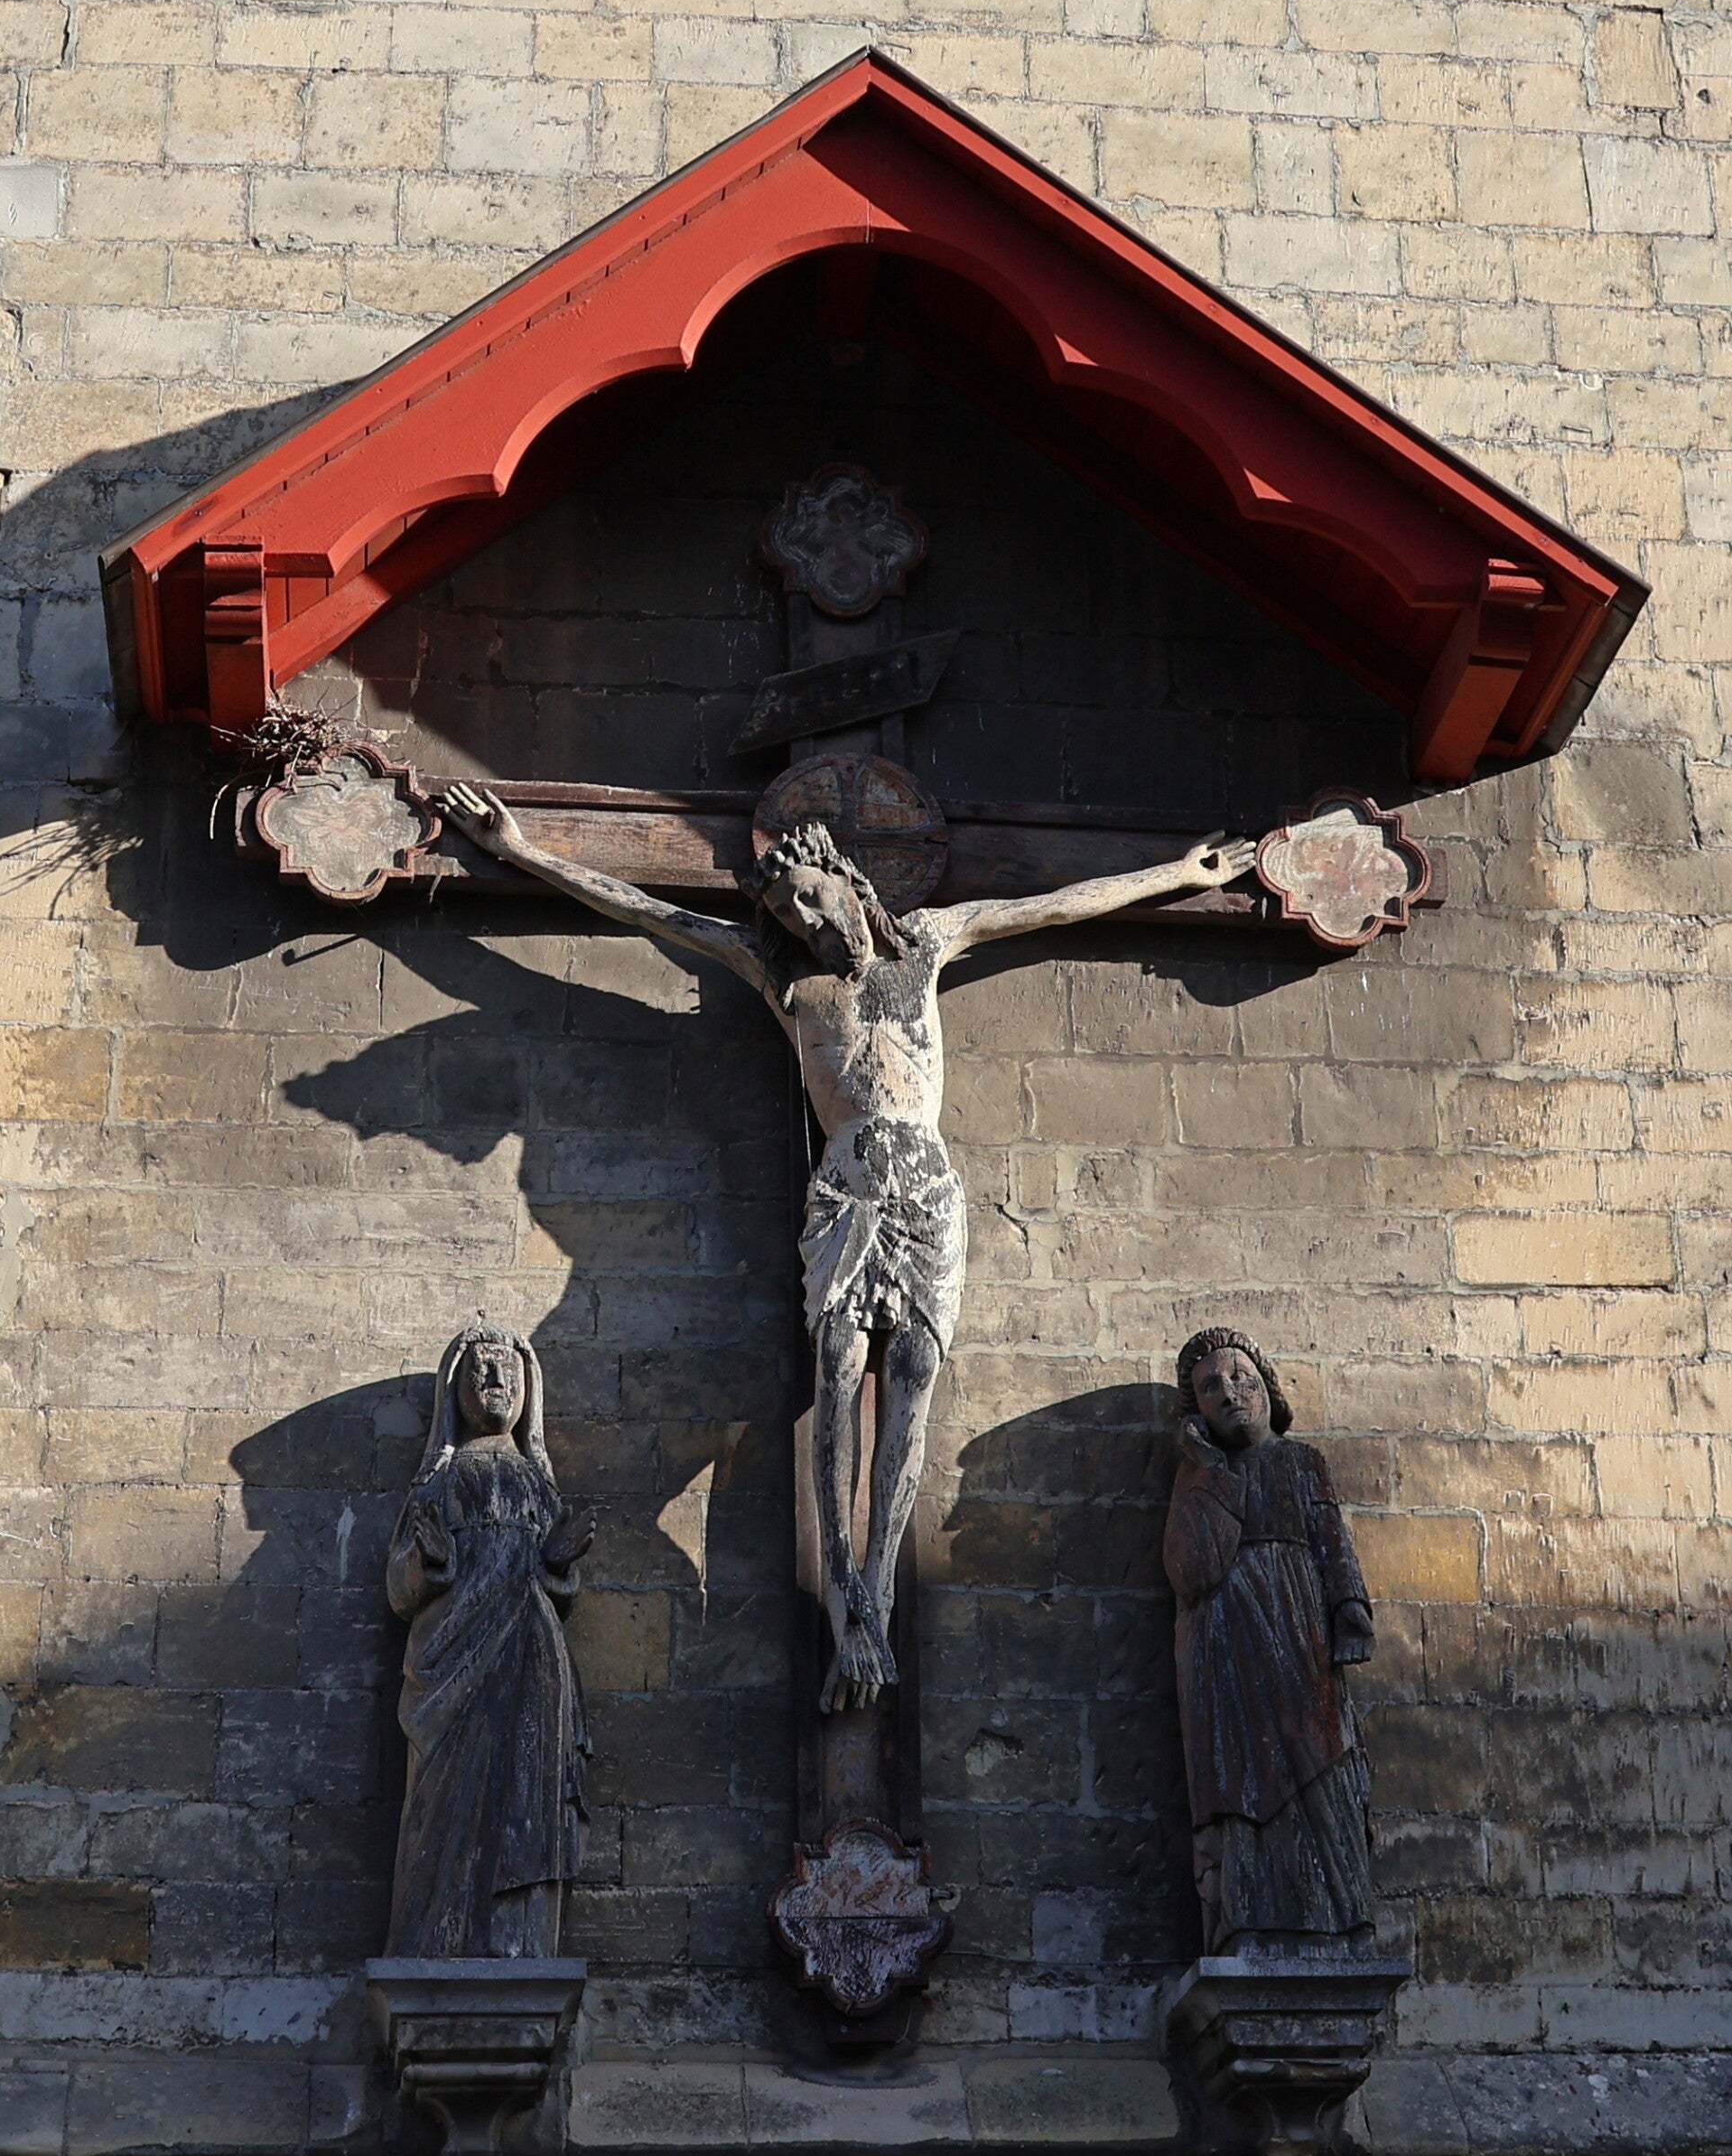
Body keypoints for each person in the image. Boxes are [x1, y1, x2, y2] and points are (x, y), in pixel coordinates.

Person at [439, 779, 1254, 1713]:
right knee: (836, 1376)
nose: (809, 920)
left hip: (927, 1192)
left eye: (813, 899)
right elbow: (649, 911)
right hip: (848, 1190)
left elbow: (1055, 903)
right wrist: (522, 851)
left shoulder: (931, 941)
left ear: (848, 880)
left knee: (913, 1378)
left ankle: (880, 1590)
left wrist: (1177, 874)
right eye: (791, 912)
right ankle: (843, 1596)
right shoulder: (783, 978)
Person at [385, 1319, 594, 1958]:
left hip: (531, 1657)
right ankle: (434, 1941)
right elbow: (399, 1585)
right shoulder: (439, 1482)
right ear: (456, 1390)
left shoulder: (538, 1484)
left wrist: (557, 1565)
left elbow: (560, 1587)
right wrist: (426, 1561)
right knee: (443, 1800)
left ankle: (520, 1941)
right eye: (482, 1368)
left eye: (509, 1369)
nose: (497, 1379)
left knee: (527, 1792)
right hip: (451, 1663)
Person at [1163, 1327, 1375, 1956]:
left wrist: (1349, 1612)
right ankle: (1246, 1921)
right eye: (1210, 1388)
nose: (1229, 1393)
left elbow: (1332, 1540)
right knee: (1238, 1778)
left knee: (1324, 1761)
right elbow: (1190, 1571)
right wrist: (1211, 1471)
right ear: (1196, 1412)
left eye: (1240, 1378)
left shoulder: (1302, 1462)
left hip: (1299, 1631)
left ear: (1267, 1386)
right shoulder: (1197, 1479)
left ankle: (1346, 1916)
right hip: (1225, 1643)